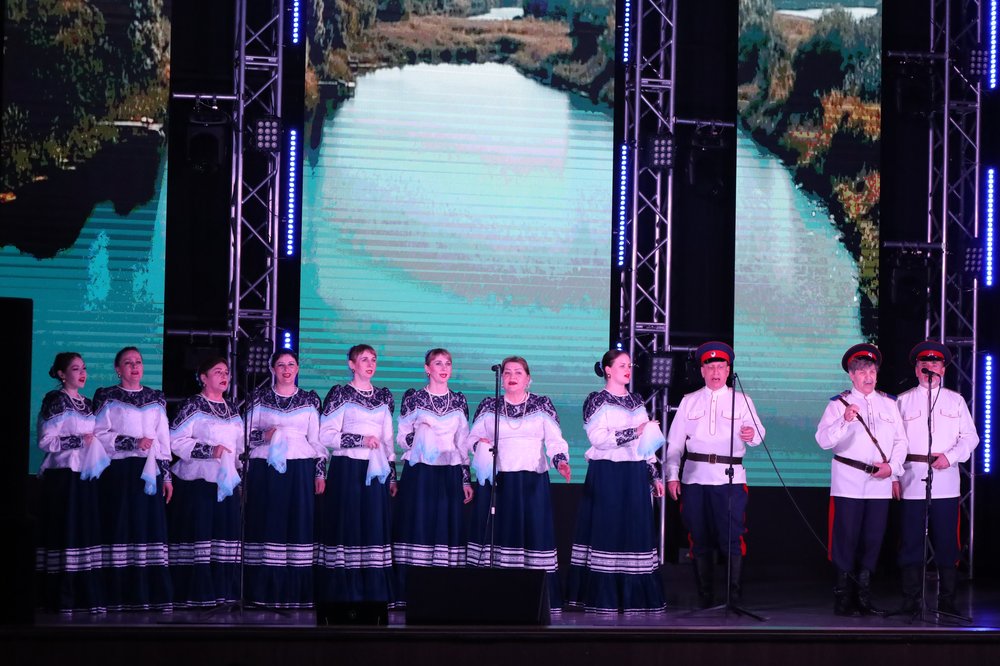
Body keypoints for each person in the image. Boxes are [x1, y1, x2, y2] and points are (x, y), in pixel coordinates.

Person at [467, 356, 571, 611]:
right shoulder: (489, 405)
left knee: (533, 534)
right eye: (507, 373)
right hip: (499, 482)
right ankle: (495, 595)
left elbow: (555, 440)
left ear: (528, 378)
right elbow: (471, 439)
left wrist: (560, 461)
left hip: (531, 481)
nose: (512, 377)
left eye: (518, 372)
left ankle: (535, 598)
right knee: (499, 535)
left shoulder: (541, 404)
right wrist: (480, 443)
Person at [565, 350, 666, 614]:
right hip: (608, 472)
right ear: (608, 370)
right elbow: (598, 439)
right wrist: (635, 431)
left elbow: (647, 442)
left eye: (629, 365)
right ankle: (603, 596)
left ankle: (632, 597)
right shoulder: (596, 399)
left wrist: (654, 475)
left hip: (634, 473)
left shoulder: (636, 400)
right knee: (607, 529)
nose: (628, 369)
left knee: (634, 530)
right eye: (622, 365)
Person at [665, 341, 764, 608]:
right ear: (702, 371)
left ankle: (734, 597)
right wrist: (672, 475)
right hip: (695, 478)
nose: (716, 372)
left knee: (732, 536)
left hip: (729, 479)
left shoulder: (742, 400)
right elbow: (674, 444)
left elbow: (759, 435)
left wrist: (750, 434)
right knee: (698, 536)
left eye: (721, 367)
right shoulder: (689, 401)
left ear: (728, 370)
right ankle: (705, 597)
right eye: (710, 367)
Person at [815, 343, 907, 616]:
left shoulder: (889, 404)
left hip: (880, 482)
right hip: (849, 481)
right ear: (852, 376)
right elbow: (823, 441)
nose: (868, 376)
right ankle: (843, 596)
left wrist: (893, 468)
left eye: (872, 371)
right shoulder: (838, 404)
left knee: (873, 539)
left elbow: (901, 441)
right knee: (846, 538)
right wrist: (844, 420)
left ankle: (864, 595)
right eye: (862, 372)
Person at [895, 340, 979, 616]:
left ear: (943, 369)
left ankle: (948, 600)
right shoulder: (903, 400)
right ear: (916, 369)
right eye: (924, 364)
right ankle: (911, 600)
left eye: (935, 363)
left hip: (945, 480)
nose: (929, 368)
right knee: (911, 541)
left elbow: (971, 438)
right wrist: (894, 475)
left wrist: (951, 457)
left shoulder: (956, 400)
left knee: (946, 541)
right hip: (912, 478)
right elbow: (893, 441)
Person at [92, 346, 173, 611]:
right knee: (120, 526)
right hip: (119, 471)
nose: (134, 366)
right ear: (118, 369)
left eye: (138, 362)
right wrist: (132, 442)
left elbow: (163, 439)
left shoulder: (156, 398)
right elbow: (98, 434)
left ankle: (148, 594)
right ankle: (117, 594)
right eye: (128, 363)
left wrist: (167, 477)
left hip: (149, 472)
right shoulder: (107, 396)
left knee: (147, 528)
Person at [316, 344, 397, 605]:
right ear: (352, 365)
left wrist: (392, 475)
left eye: (373, 359)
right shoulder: (341, 393)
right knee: (348, 524)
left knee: (373, 526)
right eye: (364, 359)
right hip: (348, 469)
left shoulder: (383, 396)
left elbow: (388, 440)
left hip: (376, 471)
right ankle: (345, 592)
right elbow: (325, 435)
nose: (370, 364)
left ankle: (372, 592)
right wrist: (360, 439)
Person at [245, 349, 325, 609]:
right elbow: (243, 436)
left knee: (298, 522)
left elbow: (316, 440)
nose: (286, 369)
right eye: (281, 365)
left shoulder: (309, 399)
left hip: (300, 468)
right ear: (272, 369)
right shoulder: (259, 397)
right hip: (266, 468)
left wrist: (319, 472)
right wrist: (264, 436)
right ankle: (265, 592)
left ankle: (296, 594)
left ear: (298, 368)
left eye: (291, 364)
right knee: (269, 521)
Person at [393, 348, 472, 606]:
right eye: (438, 363)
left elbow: (462, 443)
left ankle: (444, 592)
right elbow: (402, 437)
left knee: (446, 528)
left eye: (447, 363)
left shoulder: (458, 400)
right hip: (421, 471)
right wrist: (421, 437)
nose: (444, 368)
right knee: (419, 525)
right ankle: (413, 592)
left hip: (449, 471)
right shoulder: (414, 398)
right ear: (427, 368)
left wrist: (465, 479)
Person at [168, 356, 244, 608]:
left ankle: (223, 594)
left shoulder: (232, 409)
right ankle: (196, 595)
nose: (224, 376)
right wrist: (210, 451)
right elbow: (175, 440)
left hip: (226, 483)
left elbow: (240, 447)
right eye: (218, 371)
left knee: (224, 537)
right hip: (198, 481)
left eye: (226, 372)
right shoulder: (193, 405)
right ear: (203, 377)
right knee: (200, 536)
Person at [36, 352, 106, 613]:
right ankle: (60, 595)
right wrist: (79, 440)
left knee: (83, 532)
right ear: (62, 374)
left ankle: (83, 595)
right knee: (65, 531)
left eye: (84, 368)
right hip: (63, 475)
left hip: (84, 475)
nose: (82, 373)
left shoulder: (87, 403)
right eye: (76, 369)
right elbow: (45, 441)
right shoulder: (56, 400)